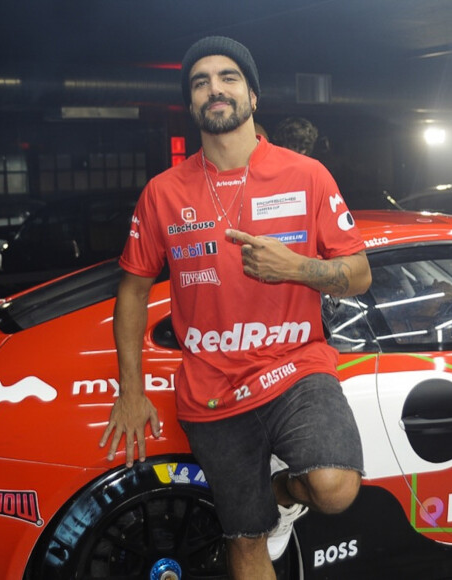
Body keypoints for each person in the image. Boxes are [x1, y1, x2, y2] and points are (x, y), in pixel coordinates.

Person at [99, 35, 371, 579]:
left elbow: (360, 276)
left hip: (296, 368)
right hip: (212, 389)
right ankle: (262, 505)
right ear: (191, 103)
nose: (214, 89)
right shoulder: (162, 192)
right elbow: (130, 290)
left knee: (335, 488)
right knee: (246, 542)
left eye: (228, 77)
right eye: (200, 82)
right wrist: (129, 391)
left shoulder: (306, 175)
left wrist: (295, 267)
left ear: (253, 94)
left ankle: (280, 491)